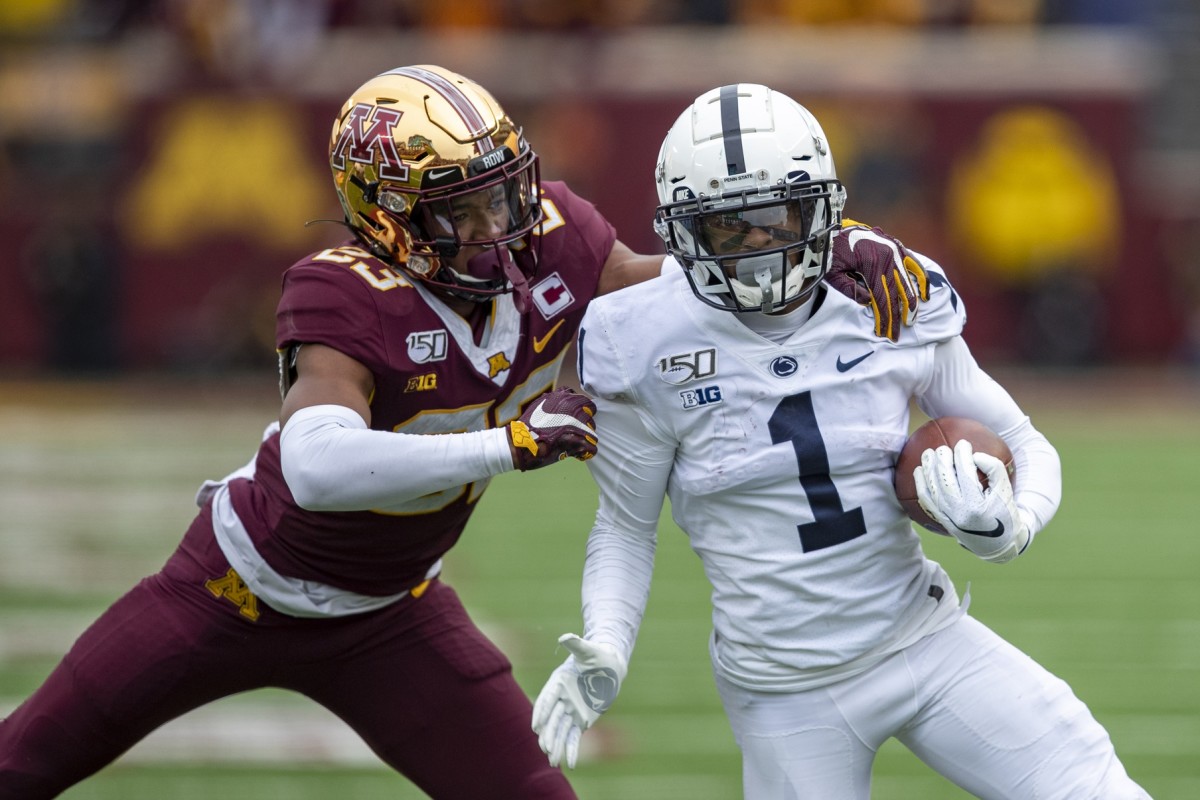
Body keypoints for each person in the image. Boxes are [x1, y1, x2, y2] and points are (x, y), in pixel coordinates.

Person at [0, 68, 920, 798]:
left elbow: (666, 286)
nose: (494, 228)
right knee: (23, 765)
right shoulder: (340, 288)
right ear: (387, 217)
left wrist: (825, 251)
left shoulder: (551, 237)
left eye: (500, 195)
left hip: (393, 612)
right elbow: (317, 465)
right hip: (233, 591)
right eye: (458, 210)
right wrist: (510, 444)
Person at [531, 83, 1152, 799]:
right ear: (682, 233)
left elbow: (1022, 439)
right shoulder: (639, 336)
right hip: (785, 692)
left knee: (1097, 787)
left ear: (825, 207)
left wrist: (1007, 528)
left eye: (777, 218)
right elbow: (625, 526)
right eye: (730, 229)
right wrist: (605, 640)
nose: (760, 247)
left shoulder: (890, 294)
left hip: (926, 636)